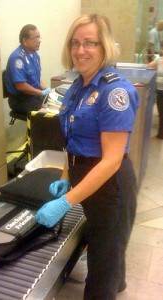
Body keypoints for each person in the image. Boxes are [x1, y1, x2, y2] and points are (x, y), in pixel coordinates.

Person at [34, 14, 139, 300]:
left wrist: (65, 203)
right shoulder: (77, 88)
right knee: (107, 246)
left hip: (110, 186)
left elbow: (111, 161)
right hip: (87, 181)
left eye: (89, 43)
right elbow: (73, 140)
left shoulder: (114, 91)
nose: (80, 51)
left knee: (102, 263)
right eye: (75, 43)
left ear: (104, 46)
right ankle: (117, 282)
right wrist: (66, 176)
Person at [4, 24, 50, 115]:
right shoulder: (18, 58)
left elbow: (36, 78)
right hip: (21, 100)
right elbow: (21, 86)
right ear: (25, 41)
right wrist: (41, 92)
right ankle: (38, 129)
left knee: (57, 102)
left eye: (39, 37)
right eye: (36, 38)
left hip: (34, 96)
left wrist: (47, 90)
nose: (39, 41)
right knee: (48, 111)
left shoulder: (34, 55)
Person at [148, 56, 163, 139]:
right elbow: (149, 66)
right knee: (161, 112)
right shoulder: (159, 60)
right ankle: (161, 134)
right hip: (159, 89)